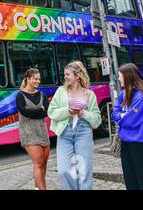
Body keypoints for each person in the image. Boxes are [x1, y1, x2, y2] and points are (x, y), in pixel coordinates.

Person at [47, 61, 101, 190]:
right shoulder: (61, 91)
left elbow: (97, 119)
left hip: (83, 131)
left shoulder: (89, 94)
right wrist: (67, 111)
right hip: (65, 132)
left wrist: (84, 113)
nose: (65, 77)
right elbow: (51, 112)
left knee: (84, 172)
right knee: (64, 171)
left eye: (67, 74)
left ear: (77, 75)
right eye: (65, 74)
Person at [111, 63, 143, 190]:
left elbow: (131, 121)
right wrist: (122, 116)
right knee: (130, 182)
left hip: (140, 144)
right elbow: (114, 114)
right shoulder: (123, 94)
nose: (118, 79)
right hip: (126, 143)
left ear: (127, 76)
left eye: (120, 76)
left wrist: (123, 117)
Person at [16, 68, 50, 190]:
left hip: (42, 132)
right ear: (28, 79)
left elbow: (47, 111)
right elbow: (24, 112)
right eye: (35, 79)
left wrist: (39, 111)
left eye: (39, 79)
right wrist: (39, 110)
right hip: (28, 132)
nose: (38, 81)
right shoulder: (20, 95)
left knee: (44, 164)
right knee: (38, 163)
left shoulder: (42, 95)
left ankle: (37, 187)